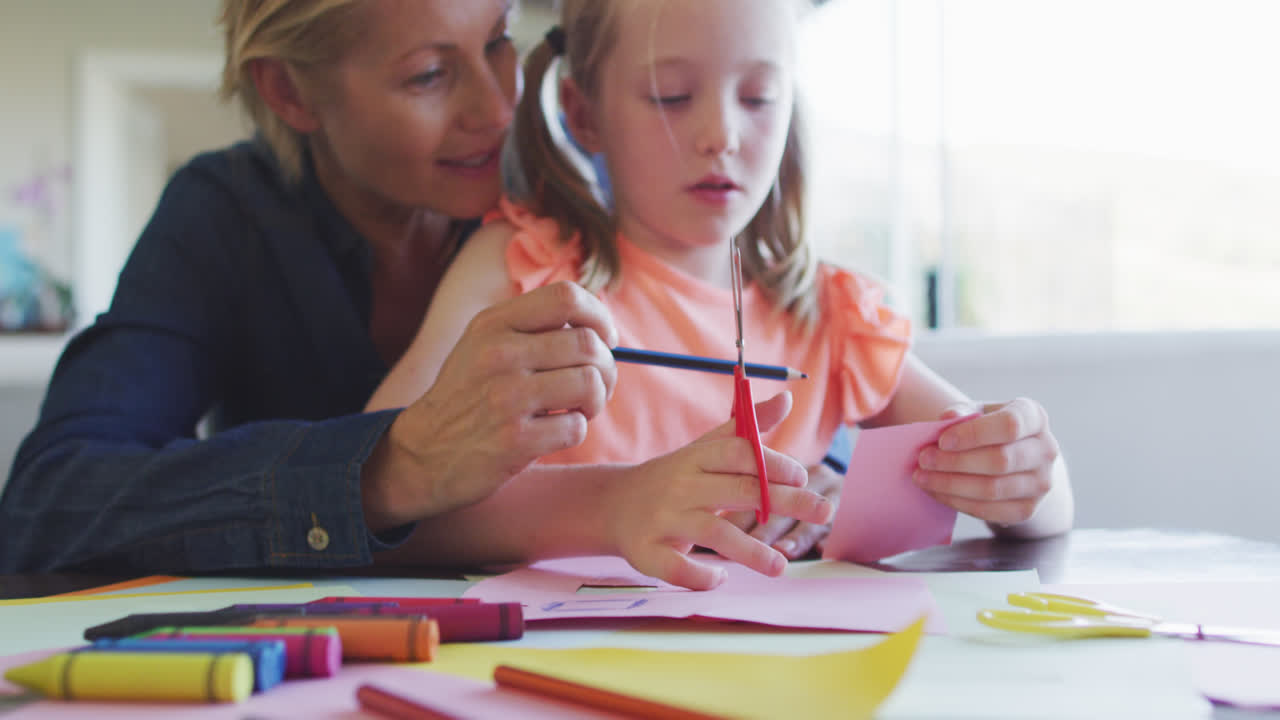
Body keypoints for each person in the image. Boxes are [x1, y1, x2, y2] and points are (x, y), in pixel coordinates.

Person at [0, 0, 832, 588]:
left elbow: (767, 369)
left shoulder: (588, 206)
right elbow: (51, 504)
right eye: (430, 75)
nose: (498, 108)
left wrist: (810, 477)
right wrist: (388, 471)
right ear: (290, 92)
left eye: (501, 41)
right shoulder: (225, 215)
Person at [367, 0, 1075, 568]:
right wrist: (617, 507)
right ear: (583, 114)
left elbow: (1039, 502)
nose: (721, 134)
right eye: (670, 96)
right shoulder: (524, 272)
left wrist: (1023, 477)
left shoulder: (832, 317)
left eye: (760, 97)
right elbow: (382, 484)